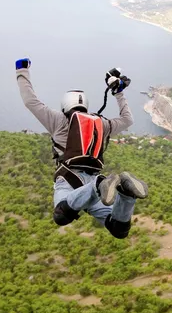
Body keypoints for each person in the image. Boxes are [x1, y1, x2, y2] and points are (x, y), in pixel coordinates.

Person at [15, 58, 148, 238]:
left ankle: (98, 186)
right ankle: (126, 195)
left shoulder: (58, 120)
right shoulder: (102, 123)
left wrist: (21, 70)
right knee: (118, 228)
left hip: (71, 180)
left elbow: (30, 101)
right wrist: (119, 93)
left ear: (65, 105)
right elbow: (127, 120)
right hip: (94, 179)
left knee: (61, 215)